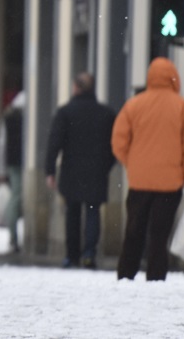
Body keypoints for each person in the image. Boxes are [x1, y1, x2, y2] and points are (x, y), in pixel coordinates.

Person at [112, 57, 184, 281]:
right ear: (174, 78)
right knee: (159, 235)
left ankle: (126, 274)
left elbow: (118, 141)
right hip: (169, 184)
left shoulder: (134, 105)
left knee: (134, 233)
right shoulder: (183, 108)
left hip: (139, 182)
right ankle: (155, 276)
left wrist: (132, 163)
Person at [45, 72, 116, 269]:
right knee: (93, 212)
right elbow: (114, 145)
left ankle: (72, 255)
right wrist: (106, 165)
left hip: (72, 171)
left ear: (75, 88)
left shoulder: (66, 112)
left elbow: (54, 143)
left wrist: (50, 171)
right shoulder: (106, 113)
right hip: (97, 172)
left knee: (72, 213)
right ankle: (89, 253)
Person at [0, 90, 26, 253]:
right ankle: (13, 236)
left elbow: (2, 144)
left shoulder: (8, 117)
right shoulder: (21, 117)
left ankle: (13, 235)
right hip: (19, 161)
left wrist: (1, 169)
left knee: (15, 197)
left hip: (12, 161)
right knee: (17, 198)